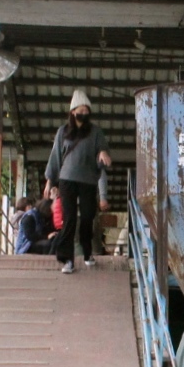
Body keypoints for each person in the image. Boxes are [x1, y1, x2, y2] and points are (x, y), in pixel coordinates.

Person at [45, 89, 111, 273]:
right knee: (69, 218)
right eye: (81, 109)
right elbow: (55, 157)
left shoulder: (96, 132)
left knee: (88, 216)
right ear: (73, 111)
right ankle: (68, 260)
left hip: (88, 181)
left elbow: (102, 151)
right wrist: (50, 180)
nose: (84, 113)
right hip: (67, 180)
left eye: (87, 110)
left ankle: (88, 252)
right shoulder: (62, 132)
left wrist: (103, 153)